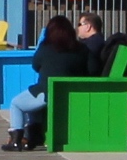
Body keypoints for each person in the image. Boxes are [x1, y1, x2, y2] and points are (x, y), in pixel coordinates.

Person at [5, 15, 93, 151]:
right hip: (73, 93)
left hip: (47, 92)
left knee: (17, 104)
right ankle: (33, 137)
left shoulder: (45, 48)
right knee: (34, 102)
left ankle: (16, 140)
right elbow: (90, 70)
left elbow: (35, 65)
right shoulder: (82, 49)